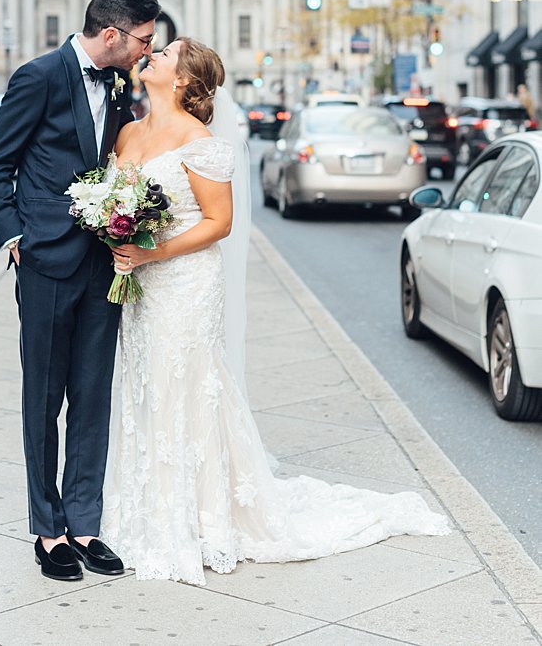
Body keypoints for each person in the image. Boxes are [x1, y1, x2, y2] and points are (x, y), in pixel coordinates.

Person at [99, 38, 448, 583]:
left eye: (166, 53)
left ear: (186, 81)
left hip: (185, 280)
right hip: (142, 281)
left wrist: (152, 251)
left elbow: (220, 223)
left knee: (187, 382)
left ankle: (202, 518)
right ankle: (150, 506)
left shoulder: (202, 143)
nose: (155, 55)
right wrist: (117, 233)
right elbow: (117, 202)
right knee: (147, 382)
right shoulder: (127, 133)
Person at [0, 0, 161, 582]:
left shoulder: (116, 84)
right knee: (45, 397)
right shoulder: (38, 77)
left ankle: (85, 522)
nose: (146, 50)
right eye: (141, 40)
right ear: (111, 34)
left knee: (93, 393)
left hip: (103, 260)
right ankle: (47, 528)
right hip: (46, 262)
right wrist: (15, 241)